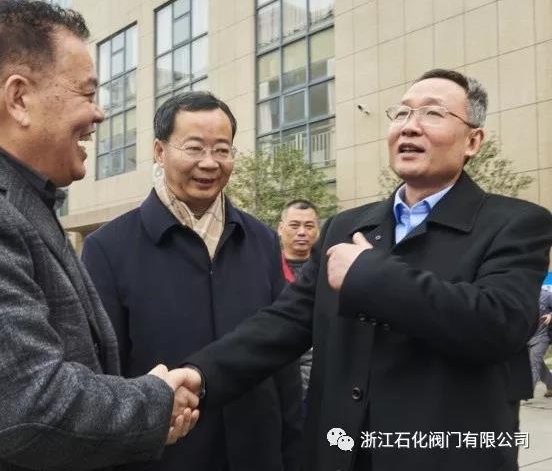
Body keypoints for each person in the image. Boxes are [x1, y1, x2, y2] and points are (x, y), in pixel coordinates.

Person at [0, 0, 199, 471]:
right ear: (19, 98)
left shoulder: (7, 197)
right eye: (87, 93)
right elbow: (27, 408)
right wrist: (155, 402)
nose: (98, 114)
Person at [181, 69, 552, 471]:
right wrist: (200, 375)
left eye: (432, 114)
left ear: (473, 141)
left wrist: (370, 275)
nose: (410, 126)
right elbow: (284, 323)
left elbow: (499, 323)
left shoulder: (514, 223)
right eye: (402, 113)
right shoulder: (346, 227)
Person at [82, 91, 303, 471]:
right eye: (195, 148)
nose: (210, 163)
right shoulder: (108, 248)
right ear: (159, 151)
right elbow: (101, 376)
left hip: (258, 454)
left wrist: (294, 453)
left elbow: (283, 359)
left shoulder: (262, 240)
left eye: (222, 150)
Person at [277, 199, 320, 396]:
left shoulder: (329, 270)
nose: (302, 232)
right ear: (280, 228)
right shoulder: (267, 270)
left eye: (309, 226)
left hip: (321, 371)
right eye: (294, 225)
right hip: (282, 371)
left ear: (318, 231)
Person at [527, 287, 552, 397]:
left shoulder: (546, 295)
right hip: (527, 337)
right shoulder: (524, 295)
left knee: (534, 363)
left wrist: (551, 315)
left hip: (542, 336)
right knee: (538, 363)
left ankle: (527, 392)